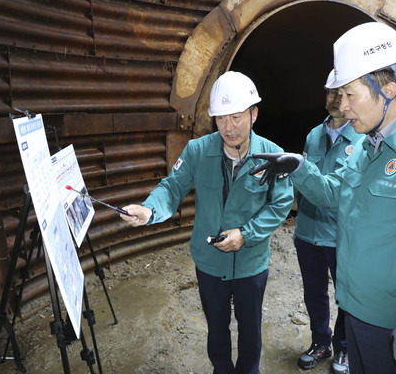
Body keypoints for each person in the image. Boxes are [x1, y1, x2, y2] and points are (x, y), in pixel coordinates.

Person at [249, 22, 396, 374]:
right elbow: (331, 193)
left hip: (395, 323)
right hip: (355, 311)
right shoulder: (366, 149)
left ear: (386, 90)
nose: (344, 107)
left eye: (351, 95)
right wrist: (298, 166)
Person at [119, 71, 294, 374]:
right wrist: (149, 210)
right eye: (221, 118)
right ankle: (222, 369)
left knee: (250, 329)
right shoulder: (197, 151)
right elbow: (172, 187)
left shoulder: (273, 155)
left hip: (251, 263)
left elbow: (281, 203)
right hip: (210, 262)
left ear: (254, 114)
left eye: (237, 117)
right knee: (216, 327)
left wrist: (247, 234)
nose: (229, 127)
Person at [294, 71, 363, 373]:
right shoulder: (313, 134)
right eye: (331, 92)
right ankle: (320, 342)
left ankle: (344, 349)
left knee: (345, 295)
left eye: (343, 92)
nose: (336, 99)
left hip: (340, 235)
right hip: (307, 232)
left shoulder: (361, 139)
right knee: (314, 293)